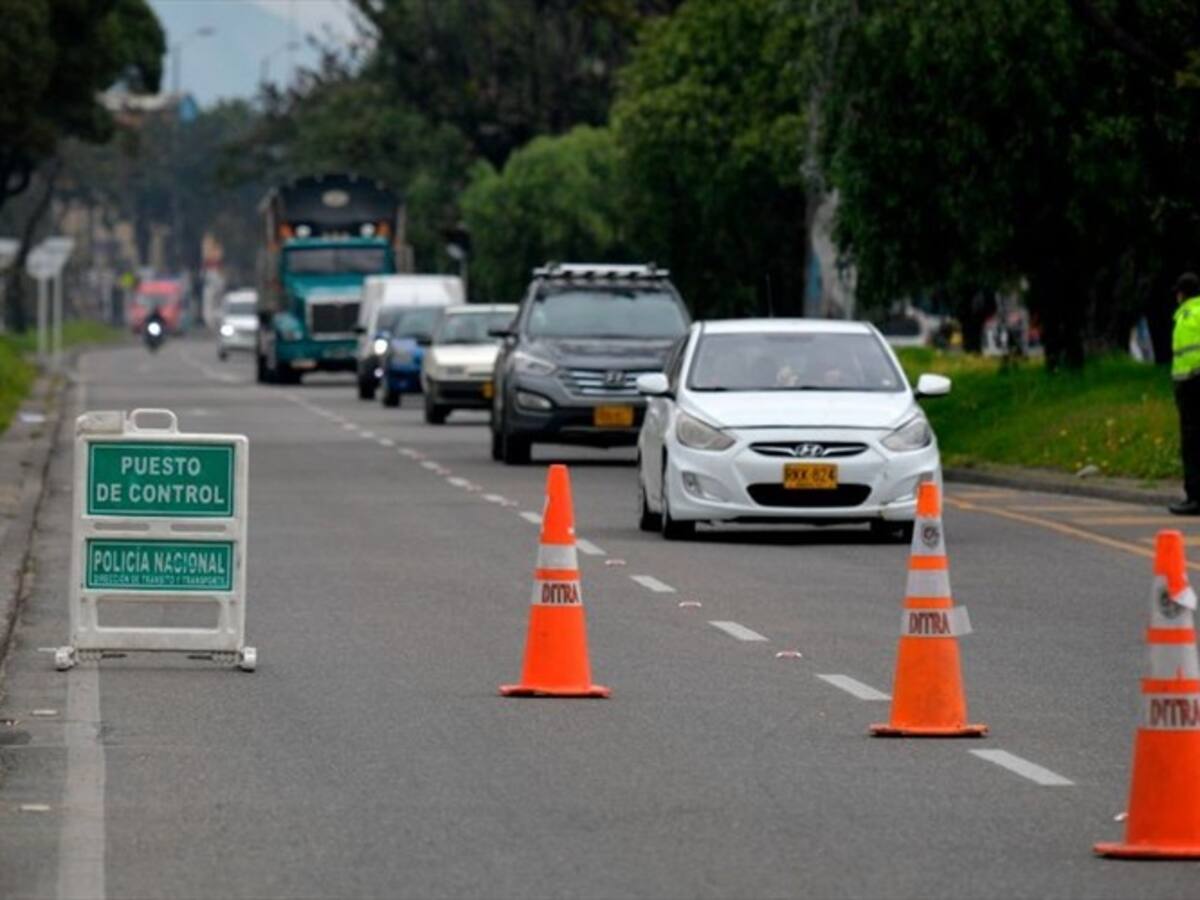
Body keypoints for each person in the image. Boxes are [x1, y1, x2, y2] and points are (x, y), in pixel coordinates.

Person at [1170, 272, 1200, 515]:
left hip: (1191, 386)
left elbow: (1183, 358)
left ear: (1181, 294)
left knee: (1192, 443)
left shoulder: (1185, 316)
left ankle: (1195, 497)